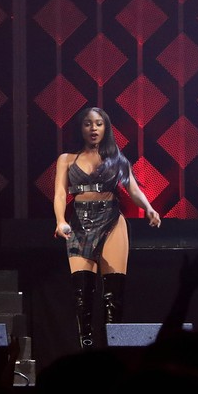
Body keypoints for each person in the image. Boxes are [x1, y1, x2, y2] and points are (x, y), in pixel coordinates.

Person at [53, 106, 161, 349]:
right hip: (80, 222)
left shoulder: (117, 159)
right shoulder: (67, 159)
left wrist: (149, 209)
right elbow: (60, 192)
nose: (93, 128)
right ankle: (87, 350)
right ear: (81, 128)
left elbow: (133, 189)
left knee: (113, 295)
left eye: (99, 124)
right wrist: (61, 220)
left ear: (106, 128)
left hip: (112, 220)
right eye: (88, 124)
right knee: (83, 294)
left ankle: (114, 349)